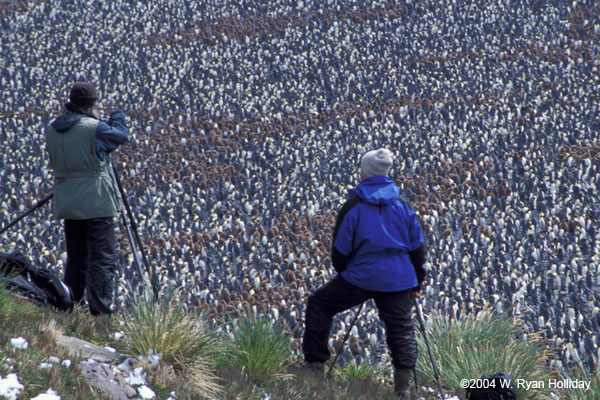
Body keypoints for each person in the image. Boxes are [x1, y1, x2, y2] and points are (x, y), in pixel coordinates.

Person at [302, 148, 427, 399]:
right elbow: (418, 249)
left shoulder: (354, 205)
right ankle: (402, 390)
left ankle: (315, 367)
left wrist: (347, 273)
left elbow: (340, 250)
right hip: (399, 278)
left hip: (361, 276)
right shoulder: (404, 205)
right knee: (401, 330)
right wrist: (417, 281)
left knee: (319, 304)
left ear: (365, 171)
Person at [45, 81, 129, 316]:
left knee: (76, 259)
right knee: (102, 260)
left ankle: (70, 307)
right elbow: (121, 136)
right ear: (91, 104)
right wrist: (117, 116)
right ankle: (100, 314)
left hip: (69, 203)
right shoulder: (93, 127)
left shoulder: (52, 128)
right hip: (96, 202)